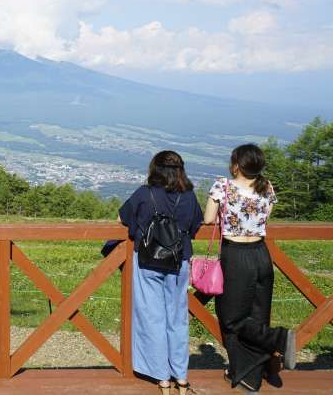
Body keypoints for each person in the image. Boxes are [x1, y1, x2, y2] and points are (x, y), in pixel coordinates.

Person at [204, 143, 296, 393]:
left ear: (236, 164)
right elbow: (265, 218)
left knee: (231, 318)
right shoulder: (267, 187)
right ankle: (248, 377)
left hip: (236, 256)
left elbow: (208, 219)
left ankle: (279, 338)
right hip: (262, 255)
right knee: (258, 315)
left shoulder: (223, 185)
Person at [119, 150, 204, 394]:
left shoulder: (144, 194)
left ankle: (161, 377)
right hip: (179, 261)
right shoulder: (188, 196)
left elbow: (122, 218)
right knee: (177, 319)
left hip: (147, 260)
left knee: (151, 317)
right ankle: (181, 377)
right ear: (180, 170)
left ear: (154, 169)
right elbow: (195, 225)